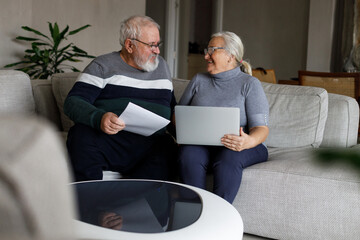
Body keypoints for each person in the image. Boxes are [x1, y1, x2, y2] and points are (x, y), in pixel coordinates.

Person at [64, 15, 178, 182]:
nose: (157, 51)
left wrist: (183, 132)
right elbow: (72, 102)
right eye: (152, 45)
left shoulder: (163, 67)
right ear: (129, 45)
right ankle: (92, 201)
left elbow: (171, 107)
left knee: (168, 148)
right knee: (80, 135)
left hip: (150, 144)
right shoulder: (102, 66)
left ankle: (135, 202)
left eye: (158, 44)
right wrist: (100, 118)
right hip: (111, 140)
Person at [178, 31, 269, 203]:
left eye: (212, 50)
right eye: (207, 50)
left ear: (230, 56)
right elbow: (179, 114)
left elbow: (261, 128)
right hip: (202, 143)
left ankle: (217, 216)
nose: (206, 56)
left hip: (240, 145)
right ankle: (194, 213)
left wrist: (247, 141)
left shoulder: (249, 84)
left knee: (228, 157)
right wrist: (182, 128)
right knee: (188, 155)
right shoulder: (198, 80)